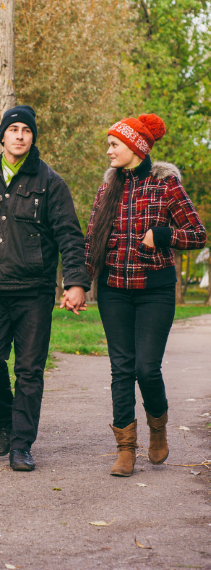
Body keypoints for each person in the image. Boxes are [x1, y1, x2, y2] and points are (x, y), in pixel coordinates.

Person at [0, 105, 90, 471]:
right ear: (2, 136)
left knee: (29, 370)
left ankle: (21, 445)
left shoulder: (51, 183)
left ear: (32, 138)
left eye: (26, 130)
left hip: (34, 292)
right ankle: (6, 422)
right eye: (13, 129)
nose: (20, 135)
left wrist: (75, 282)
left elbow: (70, 237)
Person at [84, 113, 206, 477]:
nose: (108, 151)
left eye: (114, 144)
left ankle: (157, 427)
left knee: (146, 368)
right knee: (121, 369)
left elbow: (198, 234)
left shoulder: (166, 185)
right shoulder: (107, 189)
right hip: (113, 291)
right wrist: (76, 285)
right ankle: (125, 448)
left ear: (136, 147)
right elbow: (91, 242)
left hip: (155, 290)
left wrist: (164, 235)